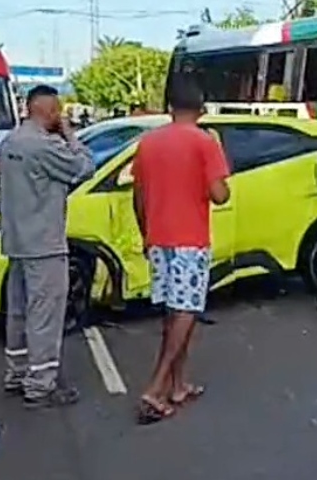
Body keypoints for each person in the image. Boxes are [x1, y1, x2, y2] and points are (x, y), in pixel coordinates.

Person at [132, 77, 230, 424]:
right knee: (187, 310)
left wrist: (146, 233)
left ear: (169, 107)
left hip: (158, 238)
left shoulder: (148, 143)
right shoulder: (205, 142)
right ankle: (156, 388)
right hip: (190, 239)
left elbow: (138, 196)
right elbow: (220, 195)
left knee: (172, 314)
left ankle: (177, 384)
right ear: (201, 108)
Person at [0, 85, 95, 409]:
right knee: (45, 315)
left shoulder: (8, 143)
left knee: (19, 312)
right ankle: (40, 384)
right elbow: (84, 167)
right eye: (59, 111)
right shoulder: (46, 146)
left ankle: (17, 372)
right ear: (49, 111)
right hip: (45, 244)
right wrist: (70, 135)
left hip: (16, 242)